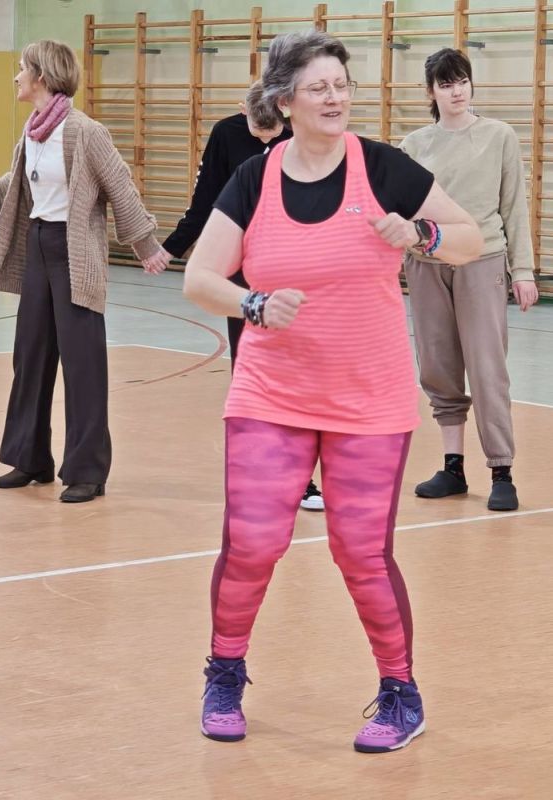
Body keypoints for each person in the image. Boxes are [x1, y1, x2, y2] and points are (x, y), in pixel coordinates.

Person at [183, 31, 483, 752]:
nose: (334, 98)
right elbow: (201, 277)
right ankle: (224, 673)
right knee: (253, 543)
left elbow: (469, 237)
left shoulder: (382, 167)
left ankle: (400, 695)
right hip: (270, 394)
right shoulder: (253, 178)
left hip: (368, 399)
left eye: (342, 86)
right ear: (284, 100)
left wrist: (419, 234)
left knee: (361, 552)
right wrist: (254, 304)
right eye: (318, 88)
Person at [0, 40, 166, 503]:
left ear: (41, 77)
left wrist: (146, 246)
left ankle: (87, 470)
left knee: (83, 365)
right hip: (38, 246)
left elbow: (120, 186)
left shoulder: (85, 131)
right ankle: (31, 459)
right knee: (30, 356)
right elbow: (14, 188)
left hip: (74, 253)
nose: (16, 76)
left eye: (21, 68)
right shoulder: (32, 131)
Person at [162, 81, 323, 511]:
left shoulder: (302, 135)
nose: (266, 142)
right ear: (243, 112)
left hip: (294, 271)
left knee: (298, 373)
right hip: (243, 274)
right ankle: (260, 472)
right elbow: (205, 201)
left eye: (273, 135)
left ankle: (302, 478)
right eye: (258, 134)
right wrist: (170, 248)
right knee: (250, 374)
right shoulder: (226, 134)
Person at [401, 48, 539, 512]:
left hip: (483, 261)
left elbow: (513, 205)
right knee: (437, 367)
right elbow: (402, 210)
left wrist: (523, 270)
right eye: (446, 84)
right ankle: (453, 467)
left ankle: (502, 470)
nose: (457, 91)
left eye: (462, 81)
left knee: (487, 369)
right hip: (426, 265)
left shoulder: (499, 136)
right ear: (431, 92)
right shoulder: (415, 145)